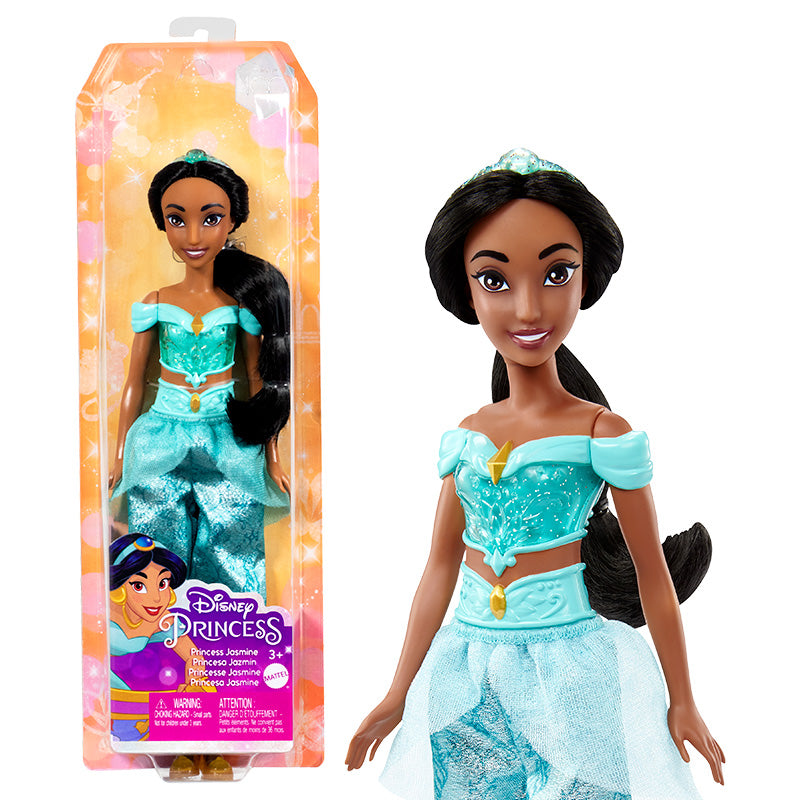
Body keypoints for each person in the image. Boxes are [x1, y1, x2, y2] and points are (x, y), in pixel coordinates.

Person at [346, 149, 724, 799]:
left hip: (571, 670)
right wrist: (397, 691)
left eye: (556, 274)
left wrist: (683, 699)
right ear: (468, 291)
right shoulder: (467, 435)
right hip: (466, 671)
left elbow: (651, 575)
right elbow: (440, 568)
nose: (527, 308)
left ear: (584, 280)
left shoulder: (602, 433)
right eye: (495, 279)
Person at [110, 150, 290, 599]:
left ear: (233, 221)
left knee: (233, 545)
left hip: (227, 437)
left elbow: (259, 382)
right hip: (160, 437)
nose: (193, 235)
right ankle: (156, 632)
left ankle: (236, 627)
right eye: (177, 219)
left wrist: (271, 454)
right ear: (163, 223)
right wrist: (120, 453)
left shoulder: (239, 307)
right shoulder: (155, 302)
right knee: (155, 551)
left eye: (211, 219)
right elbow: (134, 383)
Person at [108, 533, 212, 742]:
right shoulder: (104, 613)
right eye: (139, 586)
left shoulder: (162, 619)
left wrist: (193, 683)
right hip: (106, 693)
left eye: (163, 583)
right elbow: (110, 646)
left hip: (134, 702)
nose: (156, 598)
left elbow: (194, 656)